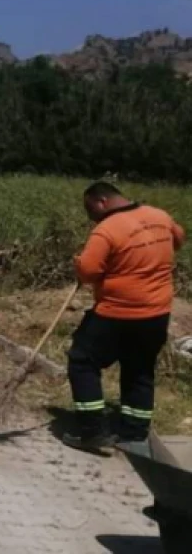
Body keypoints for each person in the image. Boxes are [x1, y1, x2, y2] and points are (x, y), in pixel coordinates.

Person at [64, 181, 185, 451]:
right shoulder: (160, 216)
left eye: (89, 209)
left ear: (101, 202)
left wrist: (79, 264)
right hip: (156, 313)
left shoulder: (106, 230)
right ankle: (134, 431)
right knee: (140, 368)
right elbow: (178, 239)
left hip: (117, 312)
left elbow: (88, 272)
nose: (89, 216)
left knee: (83, 361)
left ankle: (93, 431)